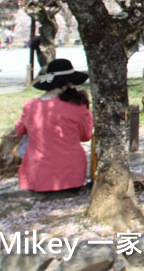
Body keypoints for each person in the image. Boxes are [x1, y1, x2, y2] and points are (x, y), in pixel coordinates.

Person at [14, 59, 93, 192]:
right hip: (72, 175)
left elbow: (18, 130)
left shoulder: (30, 105)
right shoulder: (78, 106)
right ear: (69, 83)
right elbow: (86, 136)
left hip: (37, 176)